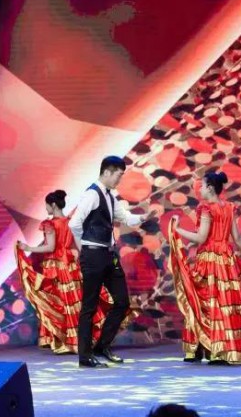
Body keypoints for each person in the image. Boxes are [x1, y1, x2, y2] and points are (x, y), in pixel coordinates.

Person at [168, 171, 241, 365]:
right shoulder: (229, 207)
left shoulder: (205, 207)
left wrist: (177, 229)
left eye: (202, 186)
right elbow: (238, 239)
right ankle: (226, 350)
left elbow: (201, 237)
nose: (200, 190)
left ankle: (201, 349)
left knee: (201, 301)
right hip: (227, 261)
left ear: (210, 188)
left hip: (210, 261)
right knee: (225, 305)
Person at [68, 156, 156, 368]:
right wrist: (85, 246)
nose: (119, 180)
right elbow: (74, 223)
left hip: (109, 255)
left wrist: (143, 217)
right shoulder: (92, 194)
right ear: (107, 172)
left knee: (122, 302)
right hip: (93, 255)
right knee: (89, 306)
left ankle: (102, 346)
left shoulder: (110, 196)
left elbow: (125, 217)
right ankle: (85, 356)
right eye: (118, 175)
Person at [16, 190, 113, 354]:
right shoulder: (70, 221)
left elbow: (50, 247)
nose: (46, 208)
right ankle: (81, 341)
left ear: (53, 205)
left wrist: (28, 248)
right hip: (70, 266)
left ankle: (69, 342)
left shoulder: (50, 224)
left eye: (47, 205)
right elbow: (75, 246)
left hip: (56, 267)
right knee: (74, 303)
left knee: (59, 304)